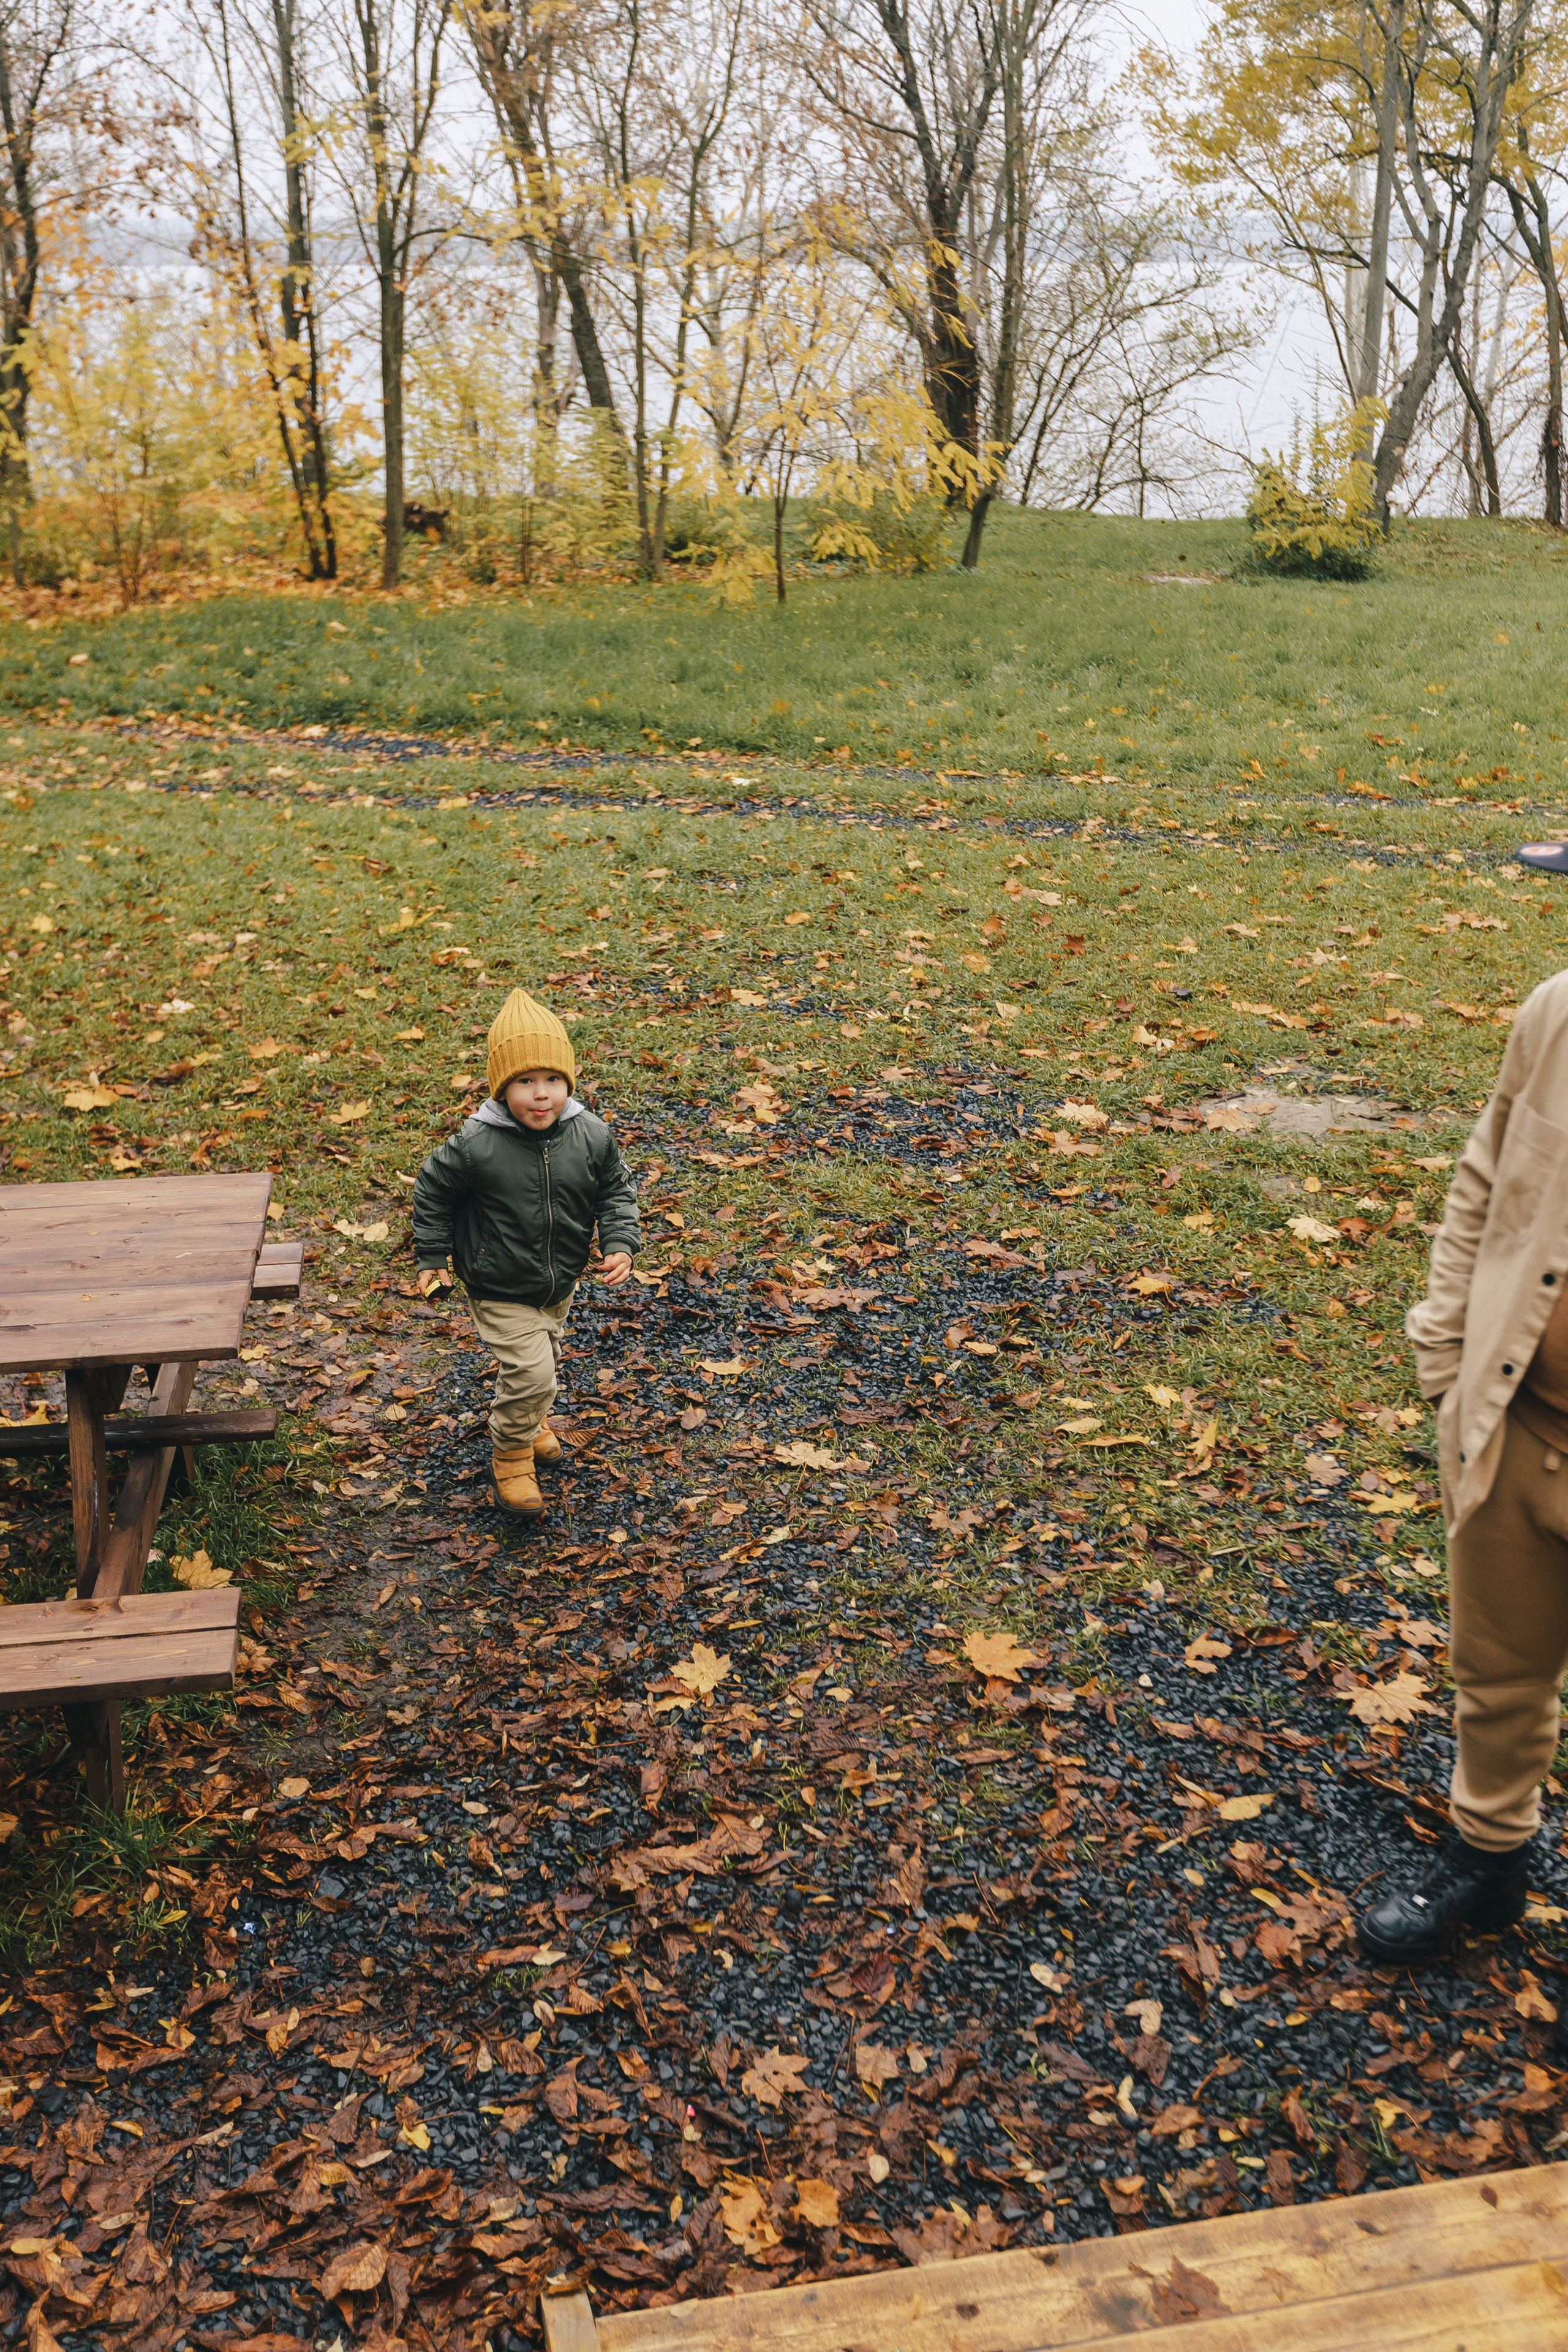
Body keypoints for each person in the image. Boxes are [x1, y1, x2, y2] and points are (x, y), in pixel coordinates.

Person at [1358, 843, 1568, 1972]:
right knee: (1499, 1672)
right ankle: (1490, 1866)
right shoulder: (1555, 1015)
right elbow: (1485, 1180)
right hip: (1512, 1422)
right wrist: (1445, 1358)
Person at [411, 987, 639, 1520]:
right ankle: (510, 1455)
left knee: (546, 1360)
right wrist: (432, 1257)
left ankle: (531, 1419)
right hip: (497, 1282)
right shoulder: (476, 1145)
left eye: (553, 1080)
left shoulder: (591, 1135)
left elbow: (615, 1190)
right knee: (534, 1371)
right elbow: (433, 1191)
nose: (542, 1095)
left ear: (569, 1081)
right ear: (501, 1086)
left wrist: (621, 1242)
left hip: (559, 1279)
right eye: (525, 1082)